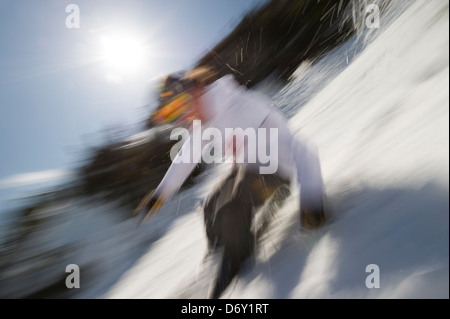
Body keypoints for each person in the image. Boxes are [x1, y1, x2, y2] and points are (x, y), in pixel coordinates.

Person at [141, 66, 327, 298]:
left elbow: (299, 147)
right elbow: (186, 156)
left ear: (194, 91)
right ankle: (220, 248)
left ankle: (238, 254)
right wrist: (160, 194)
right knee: (210, 206)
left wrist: (312, 198)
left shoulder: (241, 107)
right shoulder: (203, 122)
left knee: (232, 206)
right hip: (246, 168)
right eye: (171, 115)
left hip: (277, 173)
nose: (182, 118)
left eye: (179, 107)